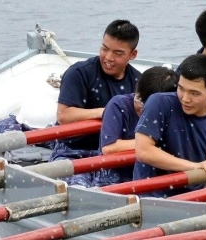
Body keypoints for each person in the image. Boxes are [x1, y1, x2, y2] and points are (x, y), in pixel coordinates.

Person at [68, 66, 179, 188]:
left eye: (146, 105)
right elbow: (109, 147)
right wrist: (148, 144)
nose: (141, 107)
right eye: (138, 99)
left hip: (156, 172)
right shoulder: (118, 105)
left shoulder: (174, 109)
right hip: (114, 173)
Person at [133, 55, 206, 197]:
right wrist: (194, 167)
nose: (185, 98)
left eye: (194, 93)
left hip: (193, 202)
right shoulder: (158, 102)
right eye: (181, 89)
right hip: (148, 198)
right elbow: (143, 151)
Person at [52, 20, 141, 160]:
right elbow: (63, 116)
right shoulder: (79, 73)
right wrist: (106, 112)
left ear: (133, 54)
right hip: (73, 149)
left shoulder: (139, 82)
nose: (108, 58)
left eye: (118, 53)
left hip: (116, 151)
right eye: (105, 49)